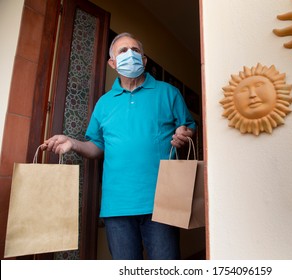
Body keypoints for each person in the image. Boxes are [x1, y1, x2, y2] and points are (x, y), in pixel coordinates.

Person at [42, 32, 196, 260]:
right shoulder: (104, 103)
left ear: (144, 61)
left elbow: (188, 128)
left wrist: (185, 133)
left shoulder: (168, 93)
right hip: (117, 205)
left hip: (164, 199)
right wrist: (72, 143)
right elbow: (97, 146)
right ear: (112, 63)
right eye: (123, 51)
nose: (130, 54)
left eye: (136, 50)